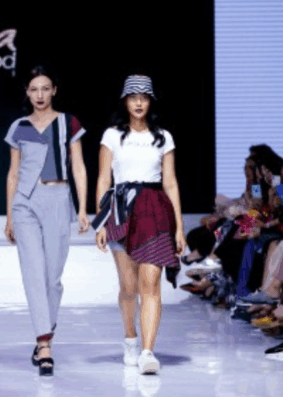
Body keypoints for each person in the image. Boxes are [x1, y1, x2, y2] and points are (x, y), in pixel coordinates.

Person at [93, 75, 186, 375]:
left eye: (144, 97)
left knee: (151, 283)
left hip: (155, 211)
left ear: (151, 101)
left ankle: (148, 351)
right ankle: (130, 338)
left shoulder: (163, 137)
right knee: (129, 286)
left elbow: (170, 183)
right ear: (125, 101)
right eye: (133, 96)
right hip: (121, 211)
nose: (138, 102)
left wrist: (179, 227)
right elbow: (103, 179)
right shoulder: (111, 136)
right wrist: (100, 222)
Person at [3, 66, 89, 377]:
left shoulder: (68, 122)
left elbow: (78, 167)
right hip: (25, 203)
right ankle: (44, 344)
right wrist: (10, 216)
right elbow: (13, 173)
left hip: (58, 198)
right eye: (33, 89)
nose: (39, 94)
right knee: (34, 274)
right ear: (27, 93)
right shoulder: (20, 126)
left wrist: (83, 209)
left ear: (54, 91)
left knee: (52, 278)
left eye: (45, 88)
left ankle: (46, 330)